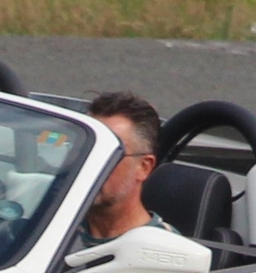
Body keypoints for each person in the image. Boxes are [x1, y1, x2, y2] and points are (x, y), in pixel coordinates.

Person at [71, 91, 177, 251]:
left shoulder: (164, 251)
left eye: (108, 154)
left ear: (143, 167)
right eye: (85, 150)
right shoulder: (50, 226)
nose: (90, 163)